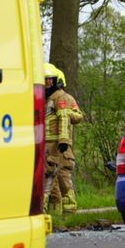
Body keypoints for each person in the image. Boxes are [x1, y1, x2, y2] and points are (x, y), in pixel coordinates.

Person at [45, 64, 83, 216]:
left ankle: (69, 213)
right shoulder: (44, 99)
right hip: (46, 147)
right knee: (49, 181)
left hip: (59, 147)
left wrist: (63, 142)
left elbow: (66, 119)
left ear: (57, 81)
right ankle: (54, 214)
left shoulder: (62, 98)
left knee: (63, 180)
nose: (45, 83)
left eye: (48, 80)